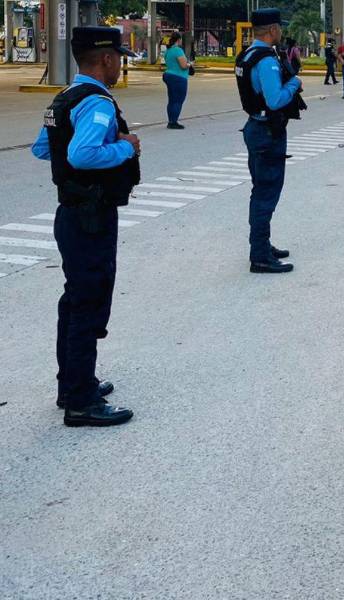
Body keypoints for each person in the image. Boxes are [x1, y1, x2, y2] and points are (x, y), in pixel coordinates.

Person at [31, 26, 140, 427]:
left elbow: (44, 148)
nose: (120, 64)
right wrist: (125, 147)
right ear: (106, 59)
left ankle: (72, 382)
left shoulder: (63, 97)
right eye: (119, 57)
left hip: (70, 214)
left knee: (74, 299)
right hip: (91, 216)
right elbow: (83, 154)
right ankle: (81, 401)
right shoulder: (97, 102)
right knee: (89, 302)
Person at [234, 8, 306, 273]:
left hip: (255, 126)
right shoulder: (266, 59)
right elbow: (275, 99)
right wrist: (294, 84)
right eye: (280, 28)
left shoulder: (247, 55)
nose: (281, 32)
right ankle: (260, 256)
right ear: (273, 29)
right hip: (267, 132)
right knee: (266, 194)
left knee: (261, 191)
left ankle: (262, 245)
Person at [162, 31, 192, 129]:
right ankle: (173, 122)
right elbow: (183, 65)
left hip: (168, 75)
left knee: (171, 100)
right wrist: (190, 64)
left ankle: (171, 120)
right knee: (178, 100)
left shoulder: (168, 51)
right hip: (179, 78)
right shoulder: (178, 50)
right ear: (179, 40)